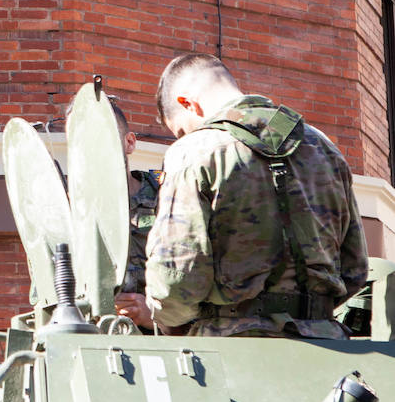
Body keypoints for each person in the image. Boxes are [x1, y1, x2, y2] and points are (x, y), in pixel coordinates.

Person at [137, 53, 367, 337]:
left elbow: (177, 278)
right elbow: (355, 268)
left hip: (232, 347)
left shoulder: (193, 152)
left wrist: (167, 318)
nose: (183, 138)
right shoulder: (324, 147)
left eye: (181, 130)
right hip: (326, 341)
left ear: (187, 103)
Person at [107, 98, 163, 324]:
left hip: (166, 341)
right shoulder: (68, 211)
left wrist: (158, 318)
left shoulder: (169, 195)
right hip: (96, 340)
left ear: (129, 142)